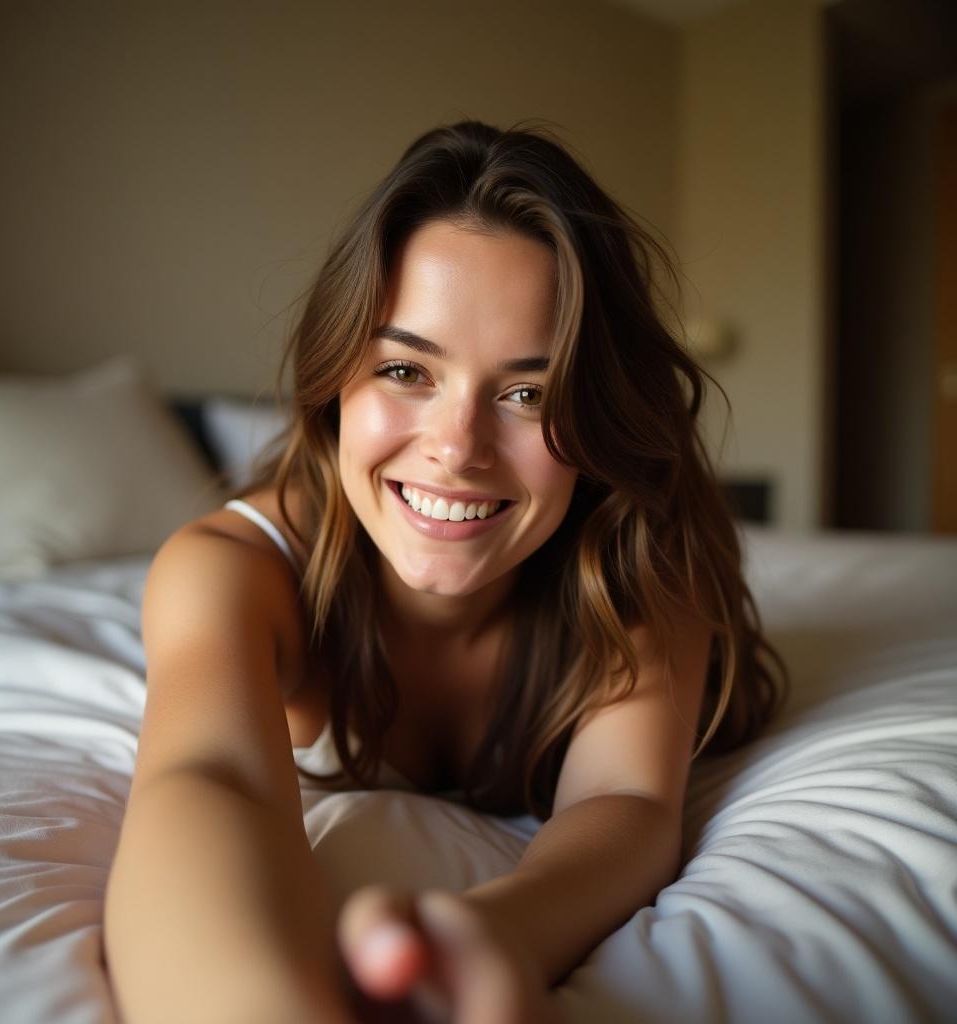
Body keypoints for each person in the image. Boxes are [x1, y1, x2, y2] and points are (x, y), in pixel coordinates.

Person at [103, 119, 786, 1023]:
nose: (457, 450)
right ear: (335, 375)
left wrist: (495, 932)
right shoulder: (231, 570)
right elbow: (207, 781)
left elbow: (624, 798)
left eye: (527, 394)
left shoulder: (641, 556)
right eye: (405, 370)